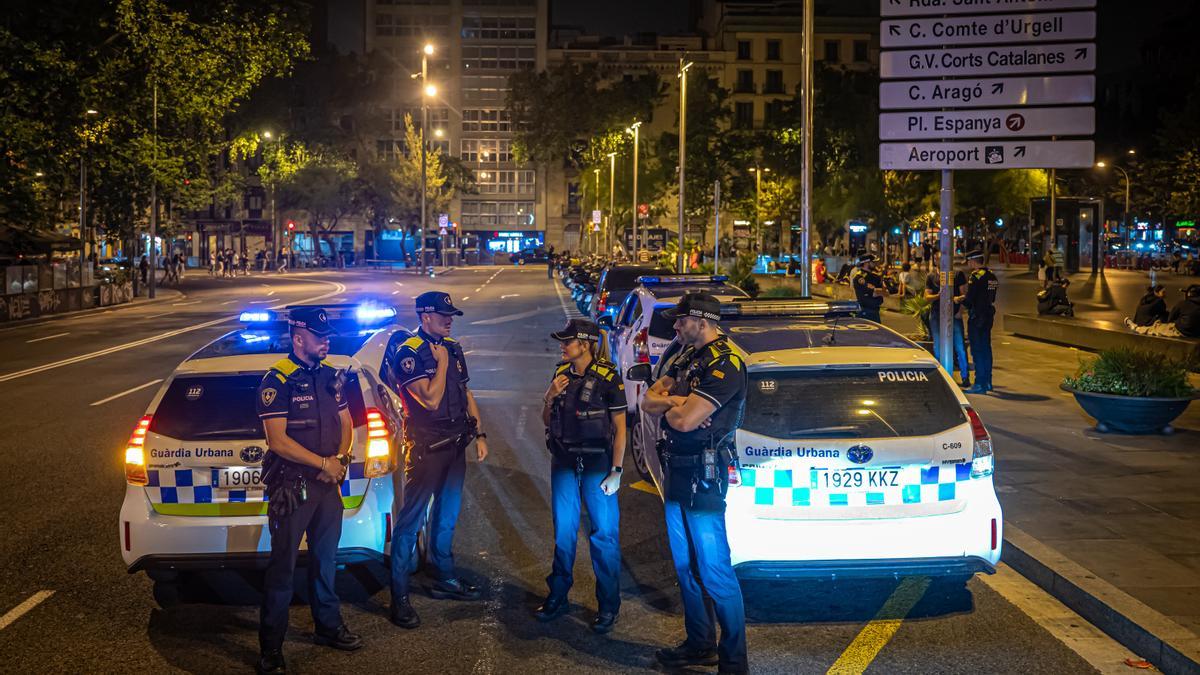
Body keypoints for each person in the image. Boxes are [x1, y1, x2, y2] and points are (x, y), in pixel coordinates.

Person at [642, 292, 749, 674]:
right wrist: (679, 402)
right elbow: (647, 401)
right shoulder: (687, 356)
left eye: (680, 320)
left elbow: (685, 422)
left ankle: (734, 663)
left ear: (702, 321)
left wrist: (675, 406)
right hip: (677, 469)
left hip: (705, 475)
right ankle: (700, 643)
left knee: (715, 571)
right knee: (685, 566)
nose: (674, 326)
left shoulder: (726, 364)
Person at [254, 307, 362, 673]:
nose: (326, 340)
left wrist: (342, 460)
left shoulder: (332, 375)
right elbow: (278, 440)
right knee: (282, 568)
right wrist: (323, 464)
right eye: (319, 336)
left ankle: (328, 627)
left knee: (326, 561)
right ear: (298, 338)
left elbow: (346, 421)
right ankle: (271, 648)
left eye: (327, 334)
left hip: (327, 486)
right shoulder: (277, 380)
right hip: (293, 486)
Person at [388, 291, 489, 629]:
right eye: (444, 315)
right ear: (425, 316)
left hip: (455, 443)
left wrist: (482, 434)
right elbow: (429, 401)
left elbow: (465, 392)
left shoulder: (453, 348)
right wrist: (442, 362)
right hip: (427, 446)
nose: (450, 320)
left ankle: (444, 577)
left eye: (452, 315)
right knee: (410, 522)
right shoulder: (409, 353)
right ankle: (399, 597)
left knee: (447, 516)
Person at [536, 319, 626, 633]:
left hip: (597, 464)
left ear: (584, 344)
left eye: (567, 341)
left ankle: (609, 606)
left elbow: (620, 427)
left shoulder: (608, 376)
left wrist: (617, 470)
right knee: (563, 532)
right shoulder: (560, 375)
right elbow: (547, 420)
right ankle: (558, 595)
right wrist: (550, 394)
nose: (562, 345)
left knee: (603, 536)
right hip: (563, 460)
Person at [925, 266, 971, 387]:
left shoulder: (957, 274)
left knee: (959, 345)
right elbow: (927, 297)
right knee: (938, 346)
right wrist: (938, 296)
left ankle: (965, 376)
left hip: (953, 314)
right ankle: (943, 376)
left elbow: (964, 295)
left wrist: (959, 312)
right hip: (936, 313)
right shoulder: (931, 276)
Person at [963, 250, 999, 393]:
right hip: (988, 316)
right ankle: (988, 381)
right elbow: (992, 297)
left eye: (968, 261)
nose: (968, 264)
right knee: (986, 349)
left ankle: (979, 383)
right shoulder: (992, 276)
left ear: (973, 261)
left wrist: (960, 300)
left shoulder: (975, 276)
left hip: (977, 316)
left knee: (977, 350)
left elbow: (970, 299)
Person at [1131, 285, 1200, 337]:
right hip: (1196, 333)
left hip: (1182, 331)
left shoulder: (1182, 303)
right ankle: (1137, 327)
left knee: (1156, 329)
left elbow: (1171, 318)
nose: (1165, 294)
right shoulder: (1159, 301)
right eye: (1163, 292)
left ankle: (1136, 328)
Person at [851, 253, 887, 323]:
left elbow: (886, 291)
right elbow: (874, 293)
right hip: (866, 312)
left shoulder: (875, 276)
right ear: (866, 263)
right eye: (873, 262)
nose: (875, 264)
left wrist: (881, 291)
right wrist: (881, 292)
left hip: (875, 311)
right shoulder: (859, 278)